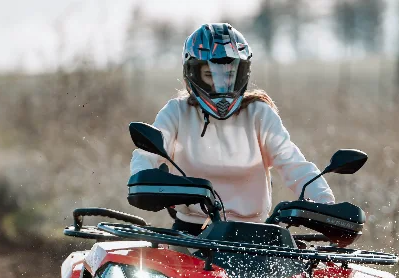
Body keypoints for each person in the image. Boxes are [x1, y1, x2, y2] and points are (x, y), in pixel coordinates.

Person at [130, 23, 335, 236]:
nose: (222, 86)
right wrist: (143, 177)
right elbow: (147, 154)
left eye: (228, 75)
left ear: (242, 73)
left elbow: (294, 164)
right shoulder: (177, 112)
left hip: (253, 235)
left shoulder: (259, 114)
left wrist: (325, 204)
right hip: (191, 234)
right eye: (210, 75)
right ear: (193, 74)